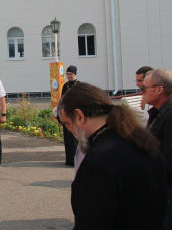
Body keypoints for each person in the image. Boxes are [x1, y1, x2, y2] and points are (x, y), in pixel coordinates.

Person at [58, 82, 167, 230]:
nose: (70, 131)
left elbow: (91, 221)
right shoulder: (141, 142)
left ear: (79, 116)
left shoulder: (98, 161)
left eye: (67, 124)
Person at [142, 69, 172, 229]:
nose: (141, 92)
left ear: (159, 89)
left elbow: (168, 159)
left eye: (143, 88)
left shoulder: (169, 114)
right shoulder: (159, 112)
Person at [60, 65, 79, 167]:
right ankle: (69, 159)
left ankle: (77, 159)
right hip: (67, 115)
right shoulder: (65, 85)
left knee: (75, 138)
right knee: (67, 137)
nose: (69, 76)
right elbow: (62, 99)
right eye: (67, 74)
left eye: (70, 74)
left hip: (75, 115)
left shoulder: (79, 85)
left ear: (75, 74)